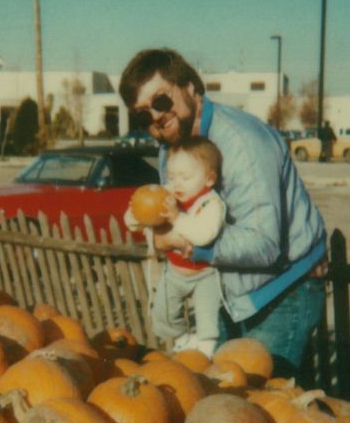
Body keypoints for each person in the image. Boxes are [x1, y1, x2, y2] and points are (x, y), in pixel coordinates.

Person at [118, 48, 329, 385]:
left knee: (268, 407)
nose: (155, 119)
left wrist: (187, 245)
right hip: (228, 291)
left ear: (189, 86)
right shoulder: (171, 148)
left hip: (281, 292)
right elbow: (176, 216)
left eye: (160, 102)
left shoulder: (242, 142)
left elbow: (264, 243)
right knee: (223, 397)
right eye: (143, 117)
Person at [126, 137, 226, 357]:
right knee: (163, 313)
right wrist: (136, 211)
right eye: (171, 177)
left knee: (207, 316)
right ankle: (182, 339)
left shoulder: (211, 203)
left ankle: (206, 350)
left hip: (204, 273)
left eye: (185, 177)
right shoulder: (169, 197)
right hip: (174, 271)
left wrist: (177, 217)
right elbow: (139, 221)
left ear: (209, 179)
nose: (176, 183)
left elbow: (203, 235)